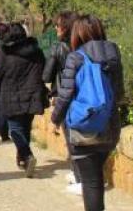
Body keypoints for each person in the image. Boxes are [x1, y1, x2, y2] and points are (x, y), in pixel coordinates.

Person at [51, 15, 124, 211]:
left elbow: (65, 96)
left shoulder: (75, 57)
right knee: (97, 177)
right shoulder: (114, 53)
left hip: (84, 127)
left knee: (91, 182)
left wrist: (55, 118)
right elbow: (119, 93)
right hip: (110, 127)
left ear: (78, 33)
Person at [0, 23, 48, 178]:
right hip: (33, 95)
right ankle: (22, 158)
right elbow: (44, 71)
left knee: (14, 129)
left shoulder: (5, 53)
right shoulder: (37, 52)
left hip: (11, 95)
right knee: (25, 127)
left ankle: (27, 155)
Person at [42, 11, 81, 195]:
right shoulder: (84, 45)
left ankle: (79, 176)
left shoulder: (58, 47)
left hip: (65, 95)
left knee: (71, 136)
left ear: (65, 27)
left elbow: (47, 75)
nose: (55, 28)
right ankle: (78, 173)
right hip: (83, 96)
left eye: (57, 25)